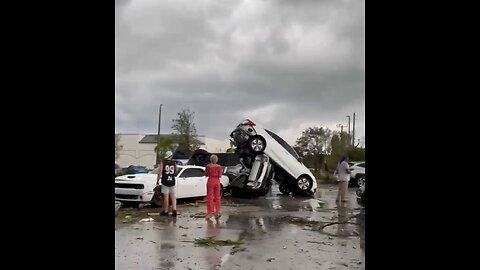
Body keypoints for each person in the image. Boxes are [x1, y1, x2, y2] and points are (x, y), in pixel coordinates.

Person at [157, 151, 177, 216]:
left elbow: (160, 172)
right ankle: (174, 210)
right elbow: (175, 172)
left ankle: (166, 211)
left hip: (165, 181)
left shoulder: (163, 163)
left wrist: (157, 180)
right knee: (173, 196)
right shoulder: (174, 163)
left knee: (166, 197)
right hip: (172, 181)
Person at [204, 154, 222, 220]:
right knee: (217, 197)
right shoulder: (219, 166)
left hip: (210, 180)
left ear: (210, 160)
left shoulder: (208, 166)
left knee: (210, 197)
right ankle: (217, 212)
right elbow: (220, 175)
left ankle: (210, 212)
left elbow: (206, 174)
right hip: (217, 181)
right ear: (216, 160)